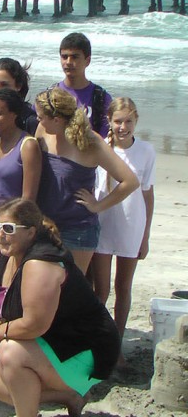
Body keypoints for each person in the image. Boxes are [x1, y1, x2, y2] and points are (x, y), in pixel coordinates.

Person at [0, 199, 119, 417]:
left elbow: (34, 324)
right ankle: (70, 397)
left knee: (9, 352)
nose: (0, 235)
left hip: (86, 349)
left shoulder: (41, 263)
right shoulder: (2, 256)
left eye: (8, 229)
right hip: (52, 341)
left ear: (31, 233)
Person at [33, 88, 138, 272]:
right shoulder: (42, 129)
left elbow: (130, 181)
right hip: (44, 224)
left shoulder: (90, 141)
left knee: (71, 288)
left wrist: (98, 206)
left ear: (56, 120)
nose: (37, 120)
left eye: (40, 116)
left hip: (77, 230)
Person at [90, 98, 155, 362]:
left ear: (136, 121)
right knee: (101, 289)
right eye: (118, 121)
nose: (123, 126)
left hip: (132, 223)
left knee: (124, 287)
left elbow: (147, 193)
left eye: (128, 121)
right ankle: (99, 340)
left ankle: (117, 341)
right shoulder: (100, 148)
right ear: (109, 121)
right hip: (104, 223)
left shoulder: (147, 151)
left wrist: (146, 235)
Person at [0, 88, 42, 217]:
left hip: (10, 223)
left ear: (14, 114)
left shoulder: (28, 145)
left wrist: (11, 225)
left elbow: (28, 199)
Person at [55, 32, 112, 137]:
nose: (68, 62)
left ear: (88, 60)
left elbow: (107, 140)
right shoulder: (50, 95)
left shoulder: (101, 98)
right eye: (64, 57)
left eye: (74, 57)